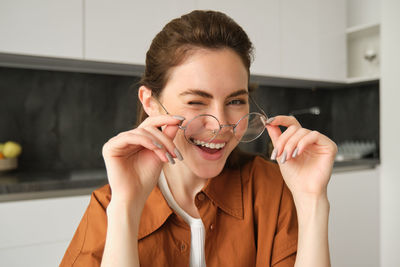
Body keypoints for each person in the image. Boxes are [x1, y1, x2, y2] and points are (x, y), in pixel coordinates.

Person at [60, 10, 337, 267]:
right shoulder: (110, 203)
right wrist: (126, 209)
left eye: (236, 100)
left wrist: (313, 200)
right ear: (151, 103)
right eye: (196, 101)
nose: (222, 125)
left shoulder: (271, 188)